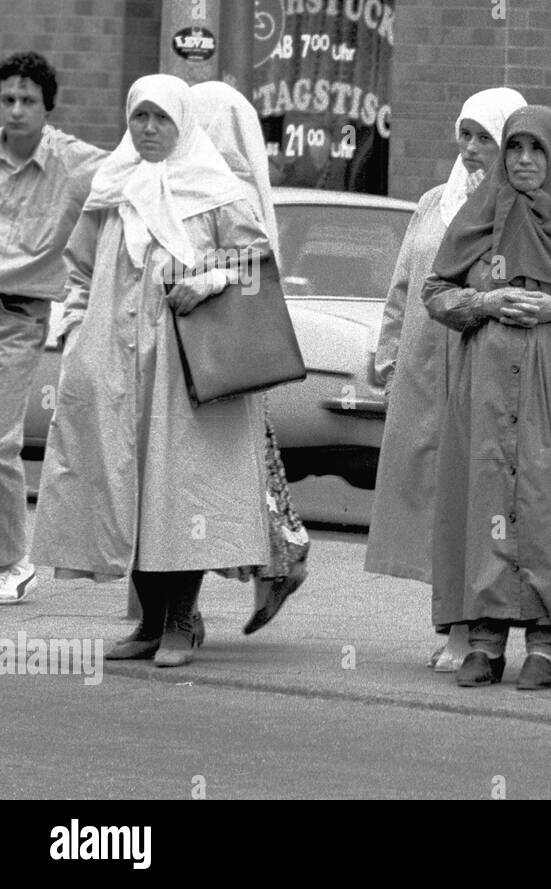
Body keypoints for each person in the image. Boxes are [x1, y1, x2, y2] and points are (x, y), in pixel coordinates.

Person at [30, 74, 272, 667]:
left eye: (162, 118)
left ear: (182, 122)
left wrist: (211, 278)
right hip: (112, 360)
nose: (149, 129)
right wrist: (76, 326)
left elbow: (255, 257)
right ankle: (148, 622)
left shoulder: (215, 187)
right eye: (140, 117)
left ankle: (182, 622)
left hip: (185, 364)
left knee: (178, 487)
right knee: (124, 484)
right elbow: (81, 270)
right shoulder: (113, 185)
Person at [422, 105, 551, 691]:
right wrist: (485, 304)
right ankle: (485, 642)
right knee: (485, 496)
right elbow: (436, 292)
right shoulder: (479, 213)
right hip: (486, 389)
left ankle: (545, 643)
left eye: (536, 150)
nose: (523, 161)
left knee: (548, 505)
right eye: (514, 149)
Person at [366, 87, 526, 672]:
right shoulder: (435, 202)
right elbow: (405, 285)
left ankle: (474, 630)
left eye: (488, 136)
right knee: (432, 500)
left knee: (478, 500)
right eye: (466, 135)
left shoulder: (522, 209)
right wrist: (385, 356)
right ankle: (454, 622)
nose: (474, 148)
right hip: (427, 372)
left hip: (486, 372)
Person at [190, 79, 309, 636]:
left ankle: (278, 557)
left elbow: (246, 260)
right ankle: (278, 558)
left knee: (228, 467)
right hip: (232, 351)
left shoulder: (219, 181)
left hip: (213, 347)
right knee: (250, 460)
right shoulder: (240, 176)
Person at [0, 51, 106, 605]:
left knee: (0, 441)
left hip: (17, 317)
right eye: (7, 100)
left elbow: (132, 176)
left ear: (47, 109)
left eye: (27, 101)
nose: (15, 110)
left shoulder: (73, 162)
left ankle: (13, 563)